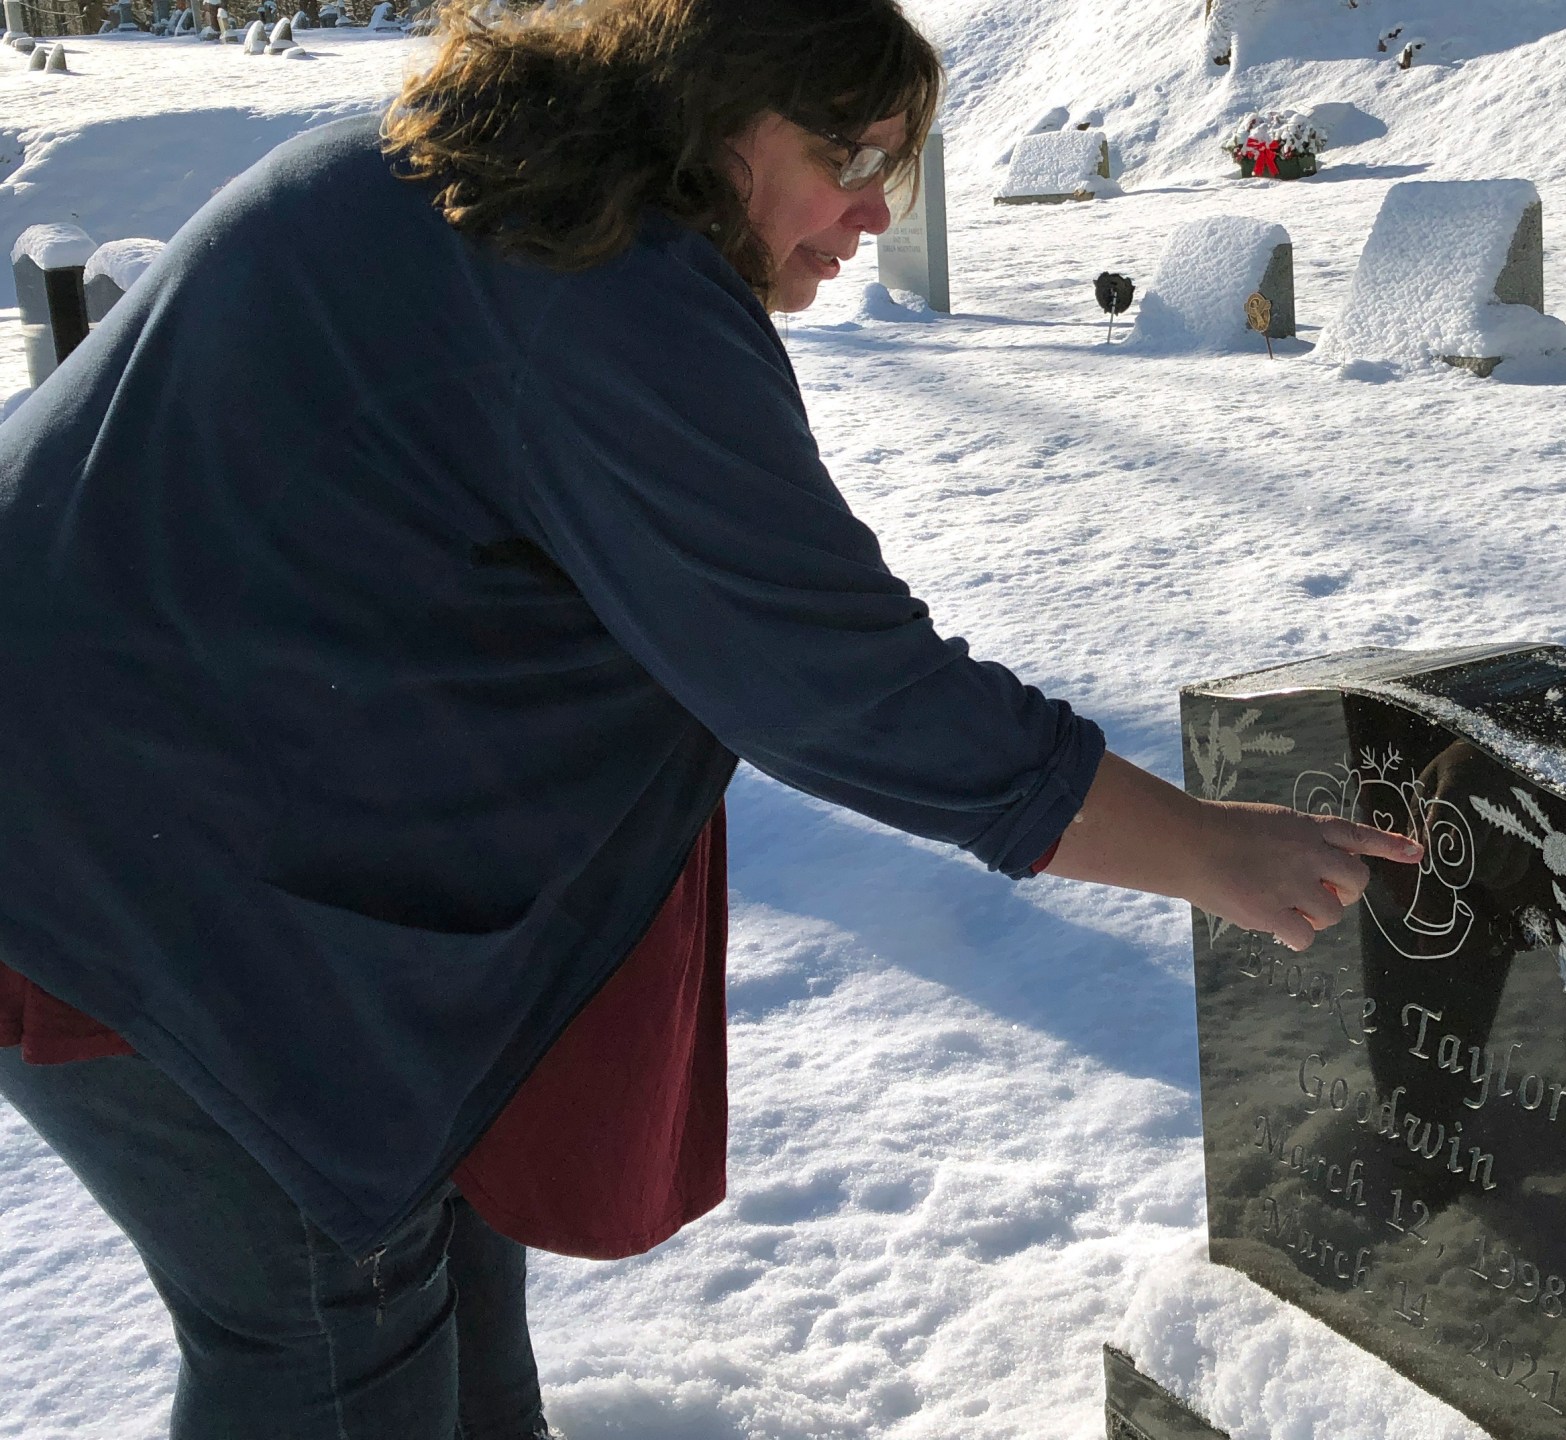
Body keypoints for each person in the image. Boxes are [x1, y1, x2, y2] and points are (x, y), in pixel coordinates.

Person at [0, 0, 1417, 1433]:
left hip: (209, 817)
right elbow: (833, 680)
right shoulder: (593, 287)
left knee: (423, 1258)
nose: (874, 209)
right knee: (326, 1330)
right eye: (848, 153)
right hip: (130, 866)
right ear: (709, 108)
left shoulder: (495, 188)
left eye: (899, 167)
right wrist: (1199, 847)